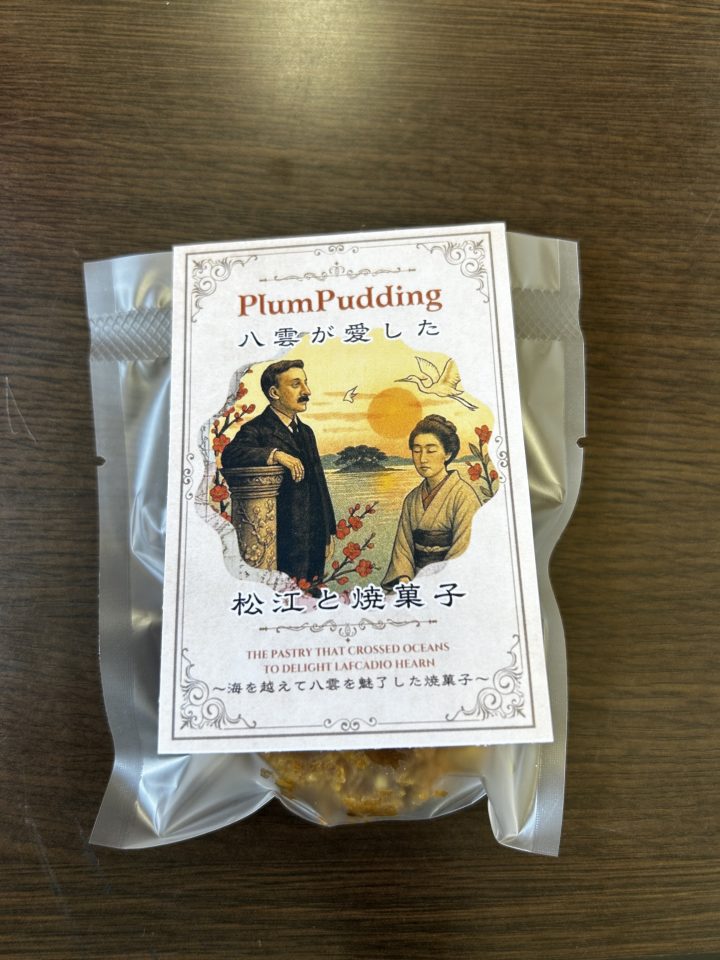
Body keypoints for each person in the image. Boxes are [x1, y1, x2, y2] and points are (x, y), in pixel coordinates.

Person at [221, 359, 335, 585]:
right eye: (296, 384)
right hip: (282, 540)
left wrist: (329, 532)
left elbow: (319, 483)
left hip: (314, 537)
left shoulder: (307, 432)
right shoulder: (257, 428)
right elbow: (231, 454)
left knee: (312, 594)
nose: (307, 391)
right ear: (274, 392)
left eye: (305, 383)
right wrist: (275, 455)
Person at [382, 414, 481, 588]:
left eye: (431, 450)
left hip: (449, 584)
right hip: (414, 582)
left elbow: (463, 551)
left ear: (447, 453)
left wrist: (436, 584)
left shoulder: (464, 496)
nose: (422, 458)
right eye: (416, 450)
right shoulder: (411, 499)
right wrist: (404, 580)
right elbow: (402, 551)